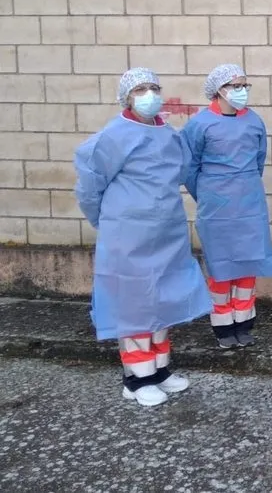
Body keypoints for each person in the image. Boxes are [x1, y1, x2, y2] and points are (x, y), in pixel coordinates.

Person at [73, 68, 210, 407]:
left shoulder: (169, 135)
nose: (149, 95)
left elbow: (179, 173)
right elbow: (90, 185)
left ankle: (159, 370)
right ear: (126, 98)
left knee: (164, 300)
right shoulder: (113, 136)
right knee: (134, 305)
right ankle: (136, 379)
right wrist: (107, 221)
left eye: (153, 88)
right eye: (140, 89)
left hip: (167, 232)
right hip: (128, 235)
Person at [181, 64, 272, 349]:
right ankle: (223, 325)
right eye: (236, 86)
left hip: (250, 205)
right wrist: (209, 194)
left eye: (244, 86)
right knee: (221, 267)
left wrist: (245, 186)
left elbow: (259, 160)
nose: (242, 91)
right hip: (216, 208)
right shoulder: (199, 124)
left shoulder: (254, 121)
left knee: (248, 265)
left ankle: (244, 323)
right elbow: (189, 167)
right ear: (219, 90)